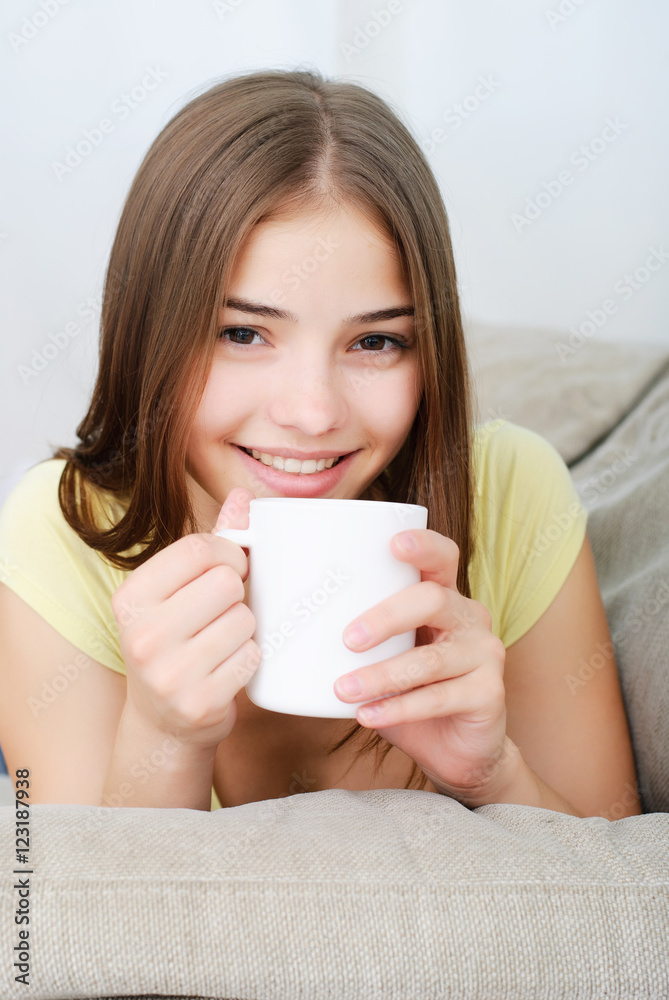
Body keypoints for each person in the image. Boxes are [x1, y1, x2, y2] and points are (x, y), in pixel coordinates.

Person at [0, 67, 641, 819]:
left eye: (374, 341)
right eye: (241, 333)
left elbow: (620, 897)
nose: (311, 412)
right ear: (150, 333)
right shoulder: (66, 529)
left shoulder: (510, 493)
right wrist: (165, 735)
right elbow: (71, 928)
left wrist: (491, 774)